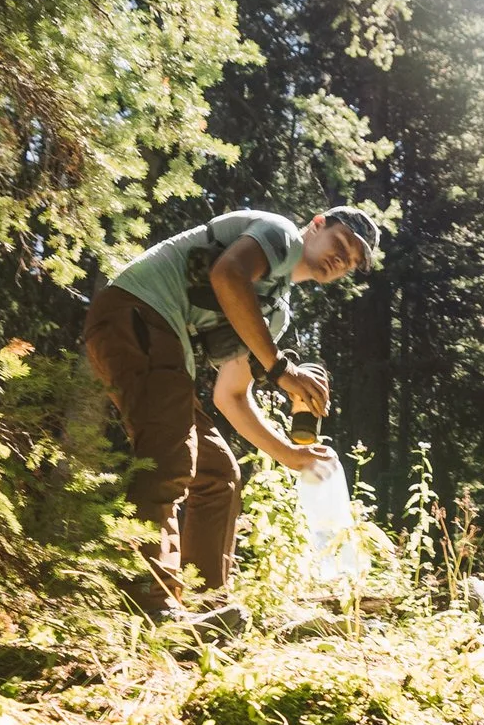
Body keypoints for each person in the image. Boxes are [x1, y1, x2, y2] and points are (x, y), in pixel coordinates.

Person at [82, 205, 379, 616]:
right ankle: (149, 604)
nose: (341, 258)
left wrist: (290, 455)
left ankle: (208, 605)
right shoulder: (280, 234)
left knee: (218, 472)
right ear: (316, 225)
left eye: (350, 261)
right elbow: (227, 275)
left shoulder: (275, 312)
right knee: (169, 459)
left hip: (163, 348)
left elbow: (232, 395)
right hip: (137, 312)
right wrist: (281, 369)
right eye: (341, 243)